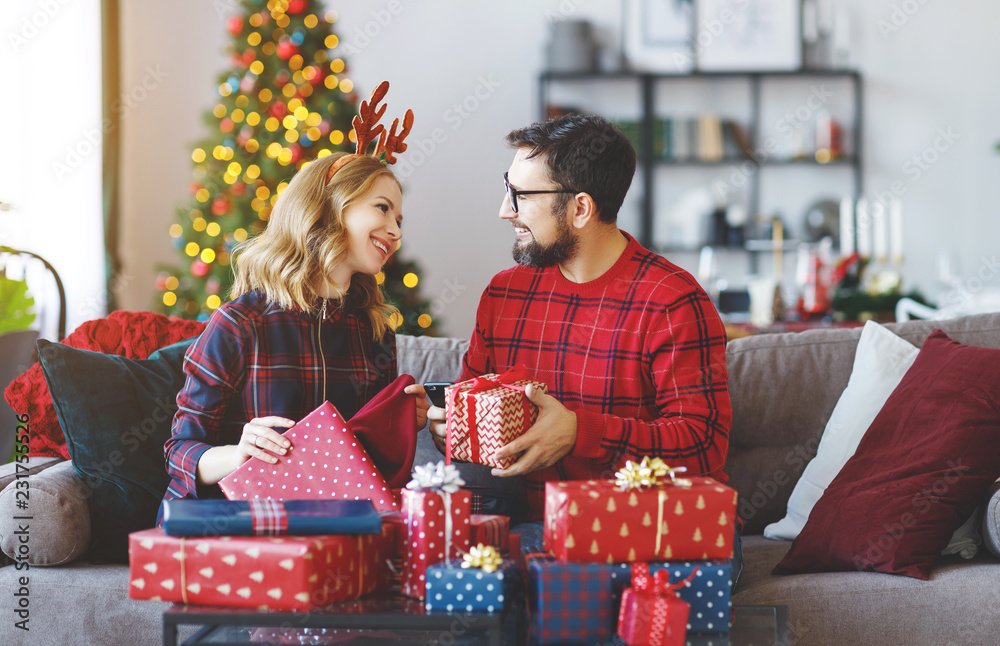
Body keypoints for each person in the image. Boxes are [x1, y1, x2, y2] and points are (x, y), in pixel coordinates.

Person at [427, 114, 739, 587]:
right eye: (507, 189)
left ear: (579, 209)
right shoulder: (504, 295)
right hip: (540, 529)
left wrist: (579, 433)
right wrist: (452, 425)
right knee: (471, 579)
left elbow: (702, 442)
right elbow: (471, 426)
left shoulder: (672, 302)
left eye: (521, 197)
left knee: (556, 583)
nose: (504, 211)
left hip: (656, 528)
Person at [161, 84, 428, 515]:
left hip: (330, 528)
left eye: (399, 219)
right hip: (237, 525)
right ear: (330, 207)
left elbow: (368, 464)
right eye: (382, 209)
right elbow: (179, 451)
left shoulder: (372, 331)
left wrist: (402, 424)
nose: (396, 231)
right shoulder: (240, 323)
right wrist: (237, 453)